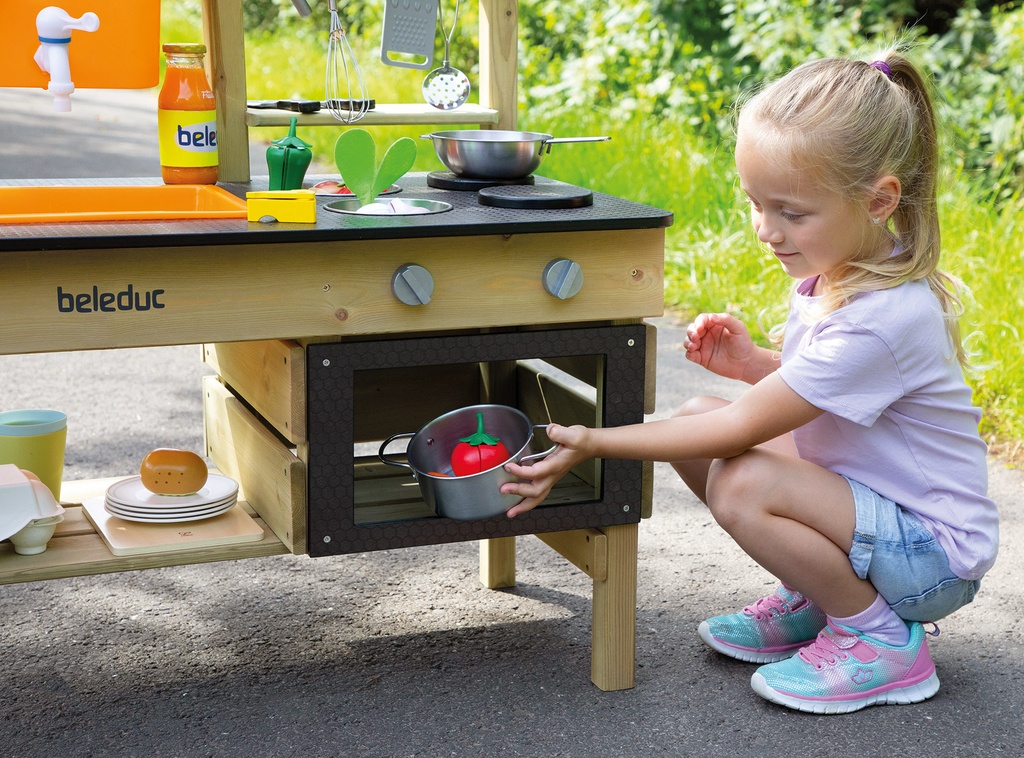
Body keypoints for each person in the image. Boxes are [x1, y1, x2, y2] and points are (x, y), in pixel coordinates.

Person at [501, 52, 999, 714]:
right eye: (755, 204)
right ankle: (824, 596)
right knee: (698, 416)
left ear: (879, 201)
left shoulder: (885, 316)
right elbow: (835, 398)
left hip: (930, 559)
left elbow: (746, 428)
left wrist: (594, 439)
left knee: (740, 475)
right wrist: (751, 367)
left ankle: (879, 639)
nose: (766, 230)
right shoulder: (845, 272)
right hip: (886, 513)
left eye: (790, 211)